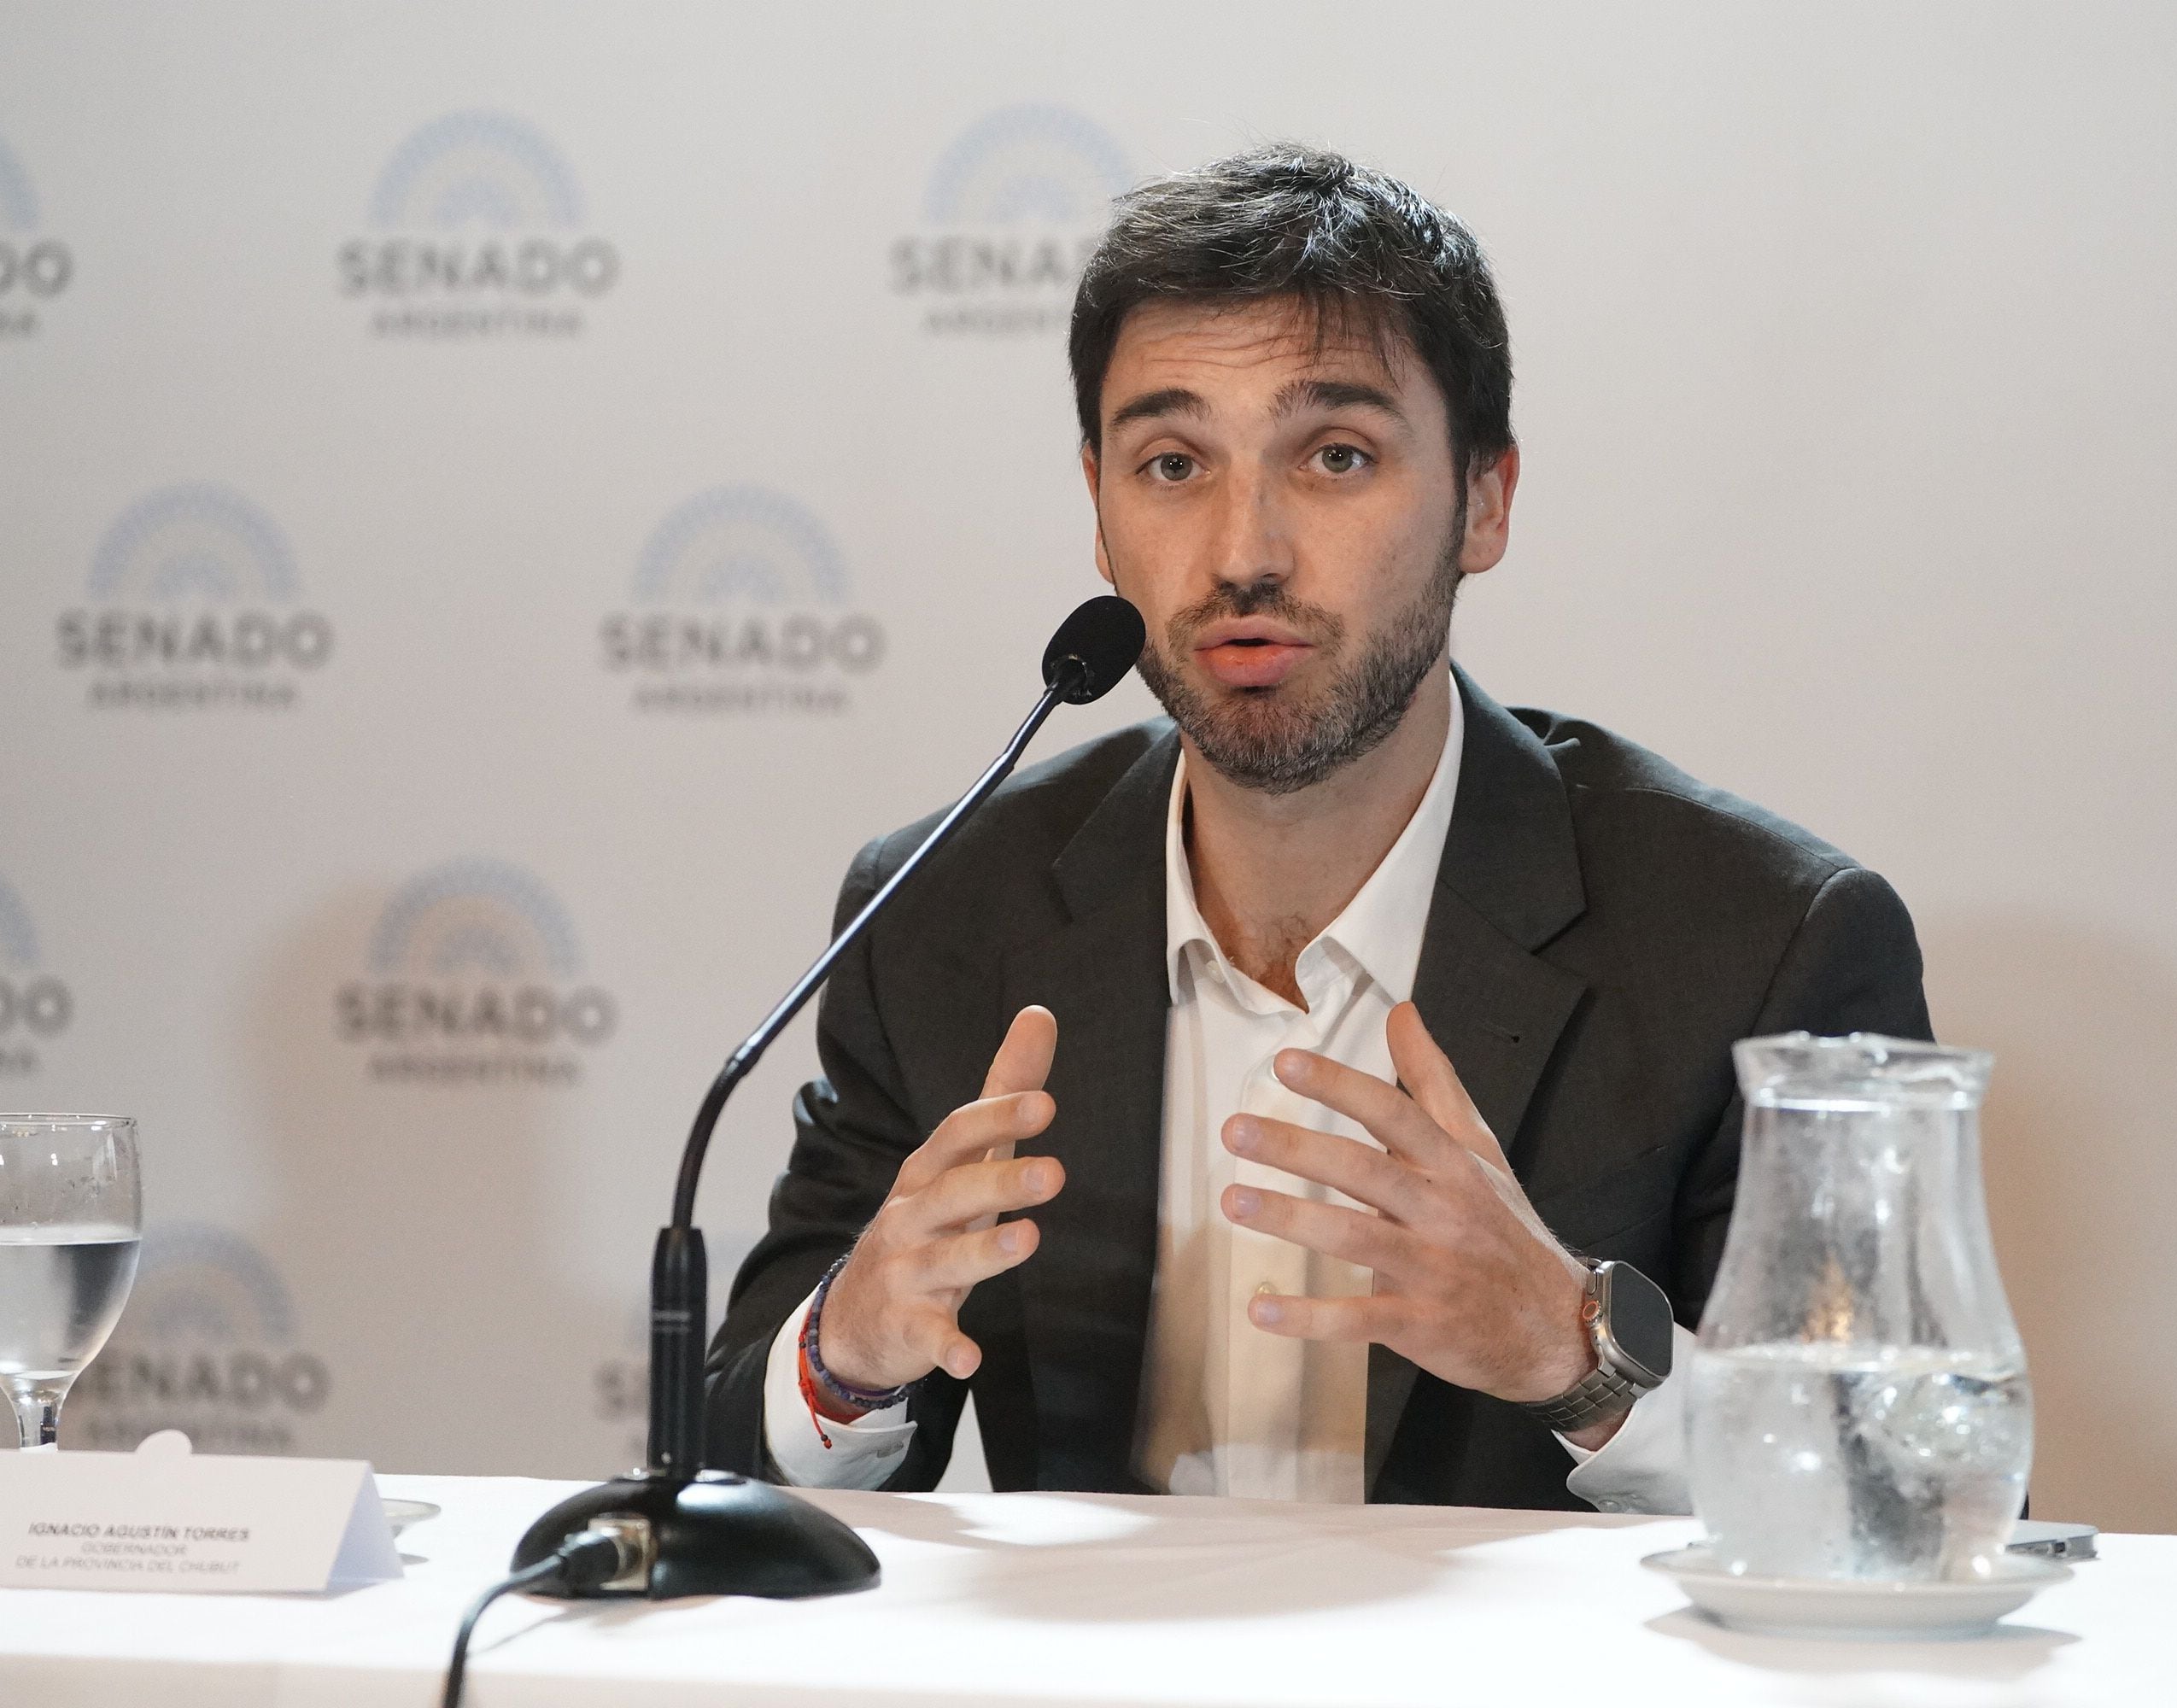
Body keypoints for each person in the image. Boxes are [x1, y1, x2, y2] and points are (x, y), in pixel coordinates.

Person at [705, 144, 1929, 1515]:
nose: (1244, 553)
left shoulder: (1761, 943)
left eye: (1335, 456)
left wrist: (1579, 1359)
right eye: (1172, 463)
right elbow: (714, 1470)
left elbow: (1888, 1494)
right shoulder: (946, 909)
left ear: (1485, 500)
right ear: (1100, 515)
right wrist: (848, 1352)